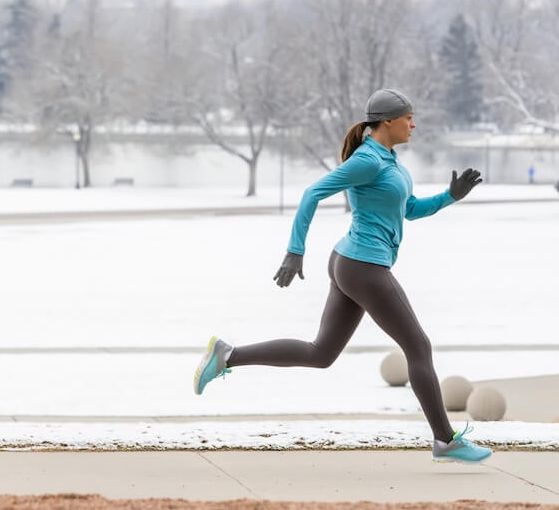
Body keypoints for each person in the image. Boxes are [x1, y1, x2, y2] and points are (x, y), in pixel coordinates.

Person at [193, 88, 491, 464]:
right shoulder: (368, 160)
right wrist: (294, 251)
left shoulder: (392, 162)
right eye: (408, 117)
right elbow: (312, 193)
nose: (414, 124)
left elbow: (410, 210)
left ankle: (227, 355)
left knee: (321, 354)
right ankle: (446, 441)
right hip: (363, 267)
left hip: (351, 262)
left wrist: (450, 196)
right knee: (419, 346)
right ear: (386, 121)